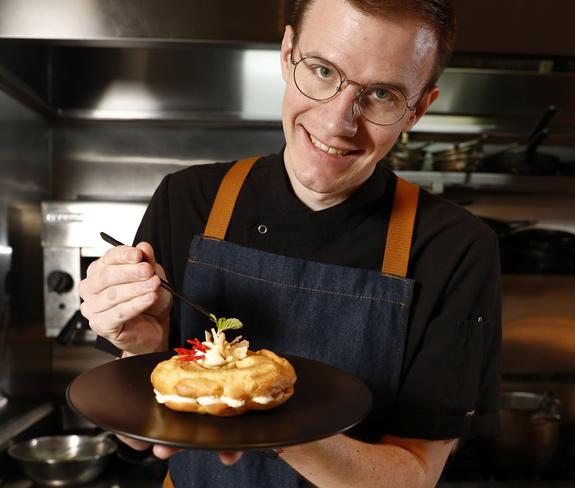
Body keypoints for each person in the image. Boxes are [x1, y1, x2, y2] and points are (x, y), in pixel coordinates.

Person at [78, 0, 501, 486]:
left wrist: (268, 417)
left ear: (418, 109)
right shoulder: (188, 199)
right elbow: (138, 437)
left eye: (382, 94)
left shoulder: (456, 248)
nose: (338, 121)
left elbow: (416, 471)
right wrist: (142, 352)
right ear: (287, 54)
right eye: (323, 70)